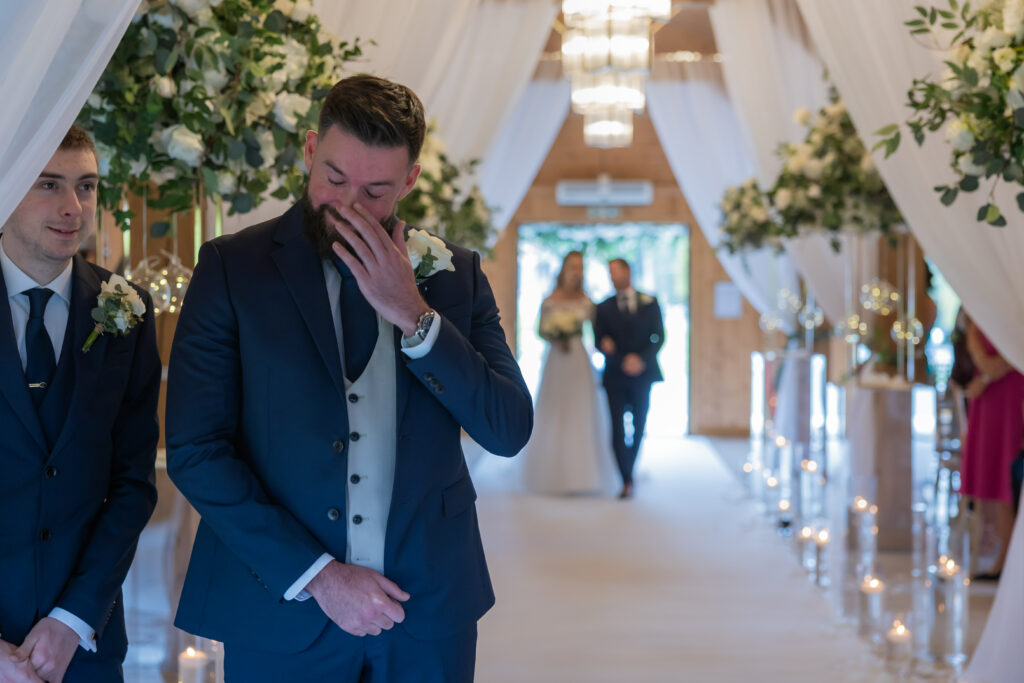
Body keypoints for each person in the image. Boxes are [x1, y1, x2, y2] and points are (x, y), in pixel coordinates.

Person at [165, 75, 532, 682]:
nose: (348, 206)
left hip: (428, 611)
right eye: (334, 179)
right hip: (280, 605)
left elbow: (507, 428)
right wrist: (319, 577)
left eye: (375, 191)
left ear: (409, 181)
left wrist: (415, 315)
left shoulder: (454, 276)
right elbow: (195, 449)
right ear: (310, 151)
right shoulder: (233, 269)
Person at [0, 125, 160, 682]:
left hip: (83, 648)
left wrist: (72, 620)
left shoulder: (128, 310)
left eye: (86, 186)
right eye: (49, 184)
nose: (73, 207)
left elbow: (133, 480)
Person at [519, 251, 619, 496]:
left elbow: (598, 333)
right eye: (573, 266)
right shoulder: (550, 298)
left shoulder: (587, 301)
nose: (577, 271)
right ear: (564, 268)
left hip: (578, 359)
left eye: (581, 267)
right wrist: (555, 338)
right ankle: (553, 473)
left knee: (580, 409)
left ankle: (583, 474)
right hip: (556, 359)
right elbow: (540, 330)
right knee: (554, 409)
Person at [594, 258, 664, 499]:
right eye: (609, 273)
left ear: (628, 272)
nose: (613, 277)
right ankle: (626, 478)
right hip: (615, 375)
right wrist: (621, 358)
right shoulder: (602, 307)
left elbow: (659, 337)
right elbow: (599, 341)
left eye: (616, 272)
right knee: (616, 429)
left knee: (639, 425)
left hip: (643, 375)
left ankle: (630, 470)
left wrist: (641, 359)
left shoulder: (650, 302)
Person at [961, 319, 1024, 580]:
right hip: (987, 396)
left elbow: (1015, 352)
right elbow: (975, 345)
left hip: (1010, 393)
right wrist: (985, 370)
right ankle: (1003, 554)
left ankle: (1008, 559)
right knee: (991, 473)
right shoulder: (979, 313)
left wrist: (987, 374)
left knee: (1005, 475)